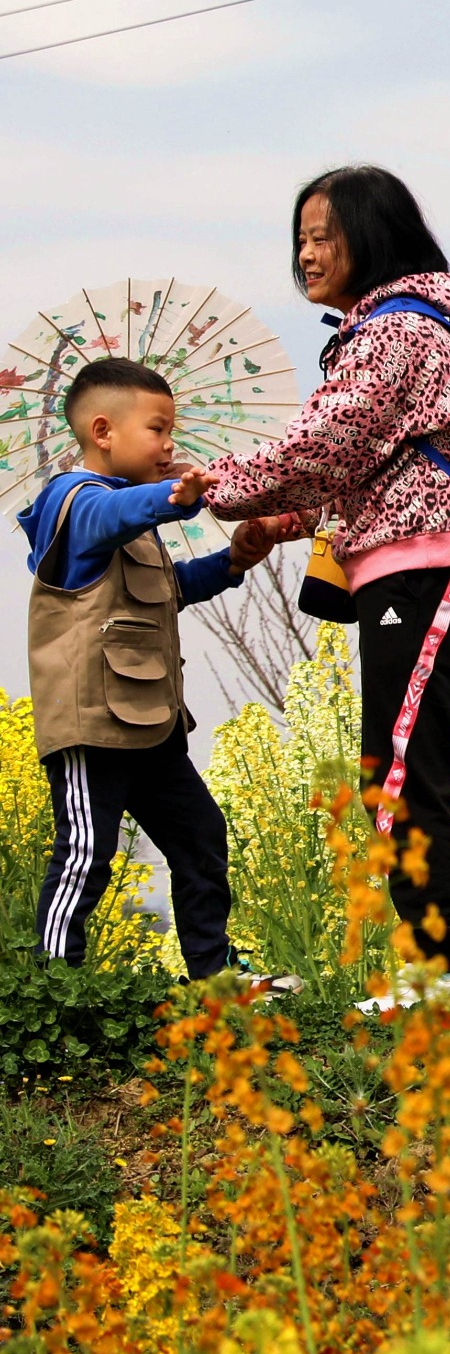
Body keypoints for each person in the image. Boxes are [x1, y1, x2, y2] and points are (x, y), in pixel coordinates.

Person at [201, 166, 450, 1008]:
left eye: (325, 236)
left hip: (431, 567)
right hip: (408, 565)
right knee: (405, 767)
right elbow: (365, 465)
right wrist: (281, 520)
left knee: (396, 771)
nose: (307, 254)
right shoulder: (389, 330)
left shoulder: (395, 334)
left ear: (373, 238)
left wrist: (215, 484)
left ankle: (430, 974)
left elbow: (321, 444)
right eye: (300, 238)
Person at [21, 361, 296, 982]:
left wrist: (233, 560)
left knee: (201, 835)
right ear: (102, 431)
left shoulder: (134, 523)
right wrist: (176, 497)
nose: (170, 444)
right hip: (93, 724)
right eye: (158, 428)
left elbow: (168, 589)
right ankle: (50, 987)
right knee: (87, 855)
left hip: (150, 723)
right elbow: (115, 516)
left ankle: (214, 973)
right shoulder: (73, 501)